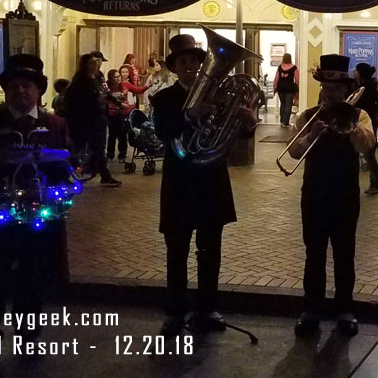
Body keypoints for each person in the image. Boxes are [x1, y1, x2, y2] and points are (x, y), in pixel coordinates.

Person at [0, 54, 71, 375]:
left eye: (28, 85)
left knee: (33, 278)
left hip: (39, 216)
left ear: (39, 91)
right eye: (14, 86)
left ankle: (29, 337)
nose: (21, 91)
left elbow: (66, 166)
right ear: (5, 91)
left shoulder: (56, 125)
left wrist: (65, 177)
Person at [151, 34, 257, 337]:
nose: (192, 66)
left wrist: (248, 123)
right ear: (175, 67)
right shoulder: (164, 98)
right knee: (177, 251)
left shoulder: (220, 94)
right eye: (184, 61)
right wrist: (189, 115)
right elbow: (163, 132)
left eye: (196, 60)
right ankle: (175, 312)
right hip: (180, 184)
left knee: (211, 250)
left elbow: (233, 136)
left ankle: (208, 307)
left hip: (212, 182)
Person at [287, 54, 375, 337]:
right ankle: (311, 310)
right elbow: (293, 152)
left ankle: (344, 310)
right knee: (314, 254)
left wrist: (350, 127)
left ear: (347, 89)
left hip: (345, 193)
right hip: (313, 193)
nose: (330, 93)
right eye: (326, 88)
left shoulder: (359, 115)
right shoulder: (307, 115)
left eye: (336, 89)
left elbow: (367, 147)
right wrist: (310, 134)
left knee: (344, 253)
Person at [64, 53, 121, 187]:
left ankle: (103, 175)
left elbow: (104, 93)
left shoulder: (97, 78)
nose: (95, 65)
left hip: (97, 118)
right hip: (85, 120)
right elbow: (78, 99)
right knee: (78, 146)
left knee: (98, 148)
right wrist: (95, 100)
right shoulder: (81, 80)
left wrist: (115, 102)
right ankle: (67, 172)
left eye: (96, 63)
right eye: (92, 63)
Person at [353, 62, 378, 194]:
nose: (354, 72)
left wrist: (371, 111)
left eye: (356, 70)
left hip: (369, 121)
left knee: (369, 151)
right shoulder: (358, 86)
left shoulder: (368, 87)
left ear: (361, 73)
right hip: (359, 119)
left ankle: (375, 183)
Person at [104, 68, 149, 162]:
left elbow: (137, 90)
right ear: (111, 79)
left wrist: (147, 86)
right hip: (112, 114)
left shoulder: (125, 85)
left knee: (122, 134)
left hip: (123, 113)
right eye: (115, 77)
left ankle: (122, 154)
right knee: (112, 135)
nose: (118, 79)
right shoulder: (107, 88)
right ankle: (110, 155)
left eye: (118, 76)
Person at [275, 53, 299, 128]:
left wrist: (275, 88)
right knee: (288, 105)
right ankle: (286, 123)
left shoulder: (280, 67)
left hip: (280, 88)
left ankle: (282, 121)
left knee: (282, 104)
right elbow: (297, 79)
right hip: (289, 88)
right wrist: (298, 89)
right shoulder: (294, 67)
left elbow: (276, 78)